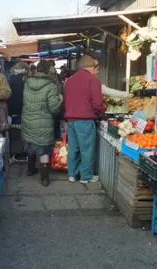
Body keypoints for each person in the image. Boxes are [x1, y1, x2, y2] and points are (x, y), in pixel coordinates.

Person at [64, 54, 104, 184]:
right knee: (86, 149)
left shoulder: (69, 80)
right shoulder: (93, 80)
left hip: (71, 120)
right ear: (90, 67)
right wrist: (102, 110)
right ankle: (86, 177)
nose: (96, 70)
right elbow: (97, 103)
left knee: (74, 148)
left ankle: (72, 174)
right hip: (85, 120)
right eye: (95, 67)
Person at [22, 61, 63, 187]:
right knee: (44, 151)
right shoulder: (51, 85)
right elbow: (54, 108)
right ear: (47, 71)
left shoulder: (27, 83)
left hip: (28, 120)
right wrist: (60, 99)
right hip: (44, 122)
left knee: (31, 145)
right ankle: (44, 177)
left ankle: (30, 170)